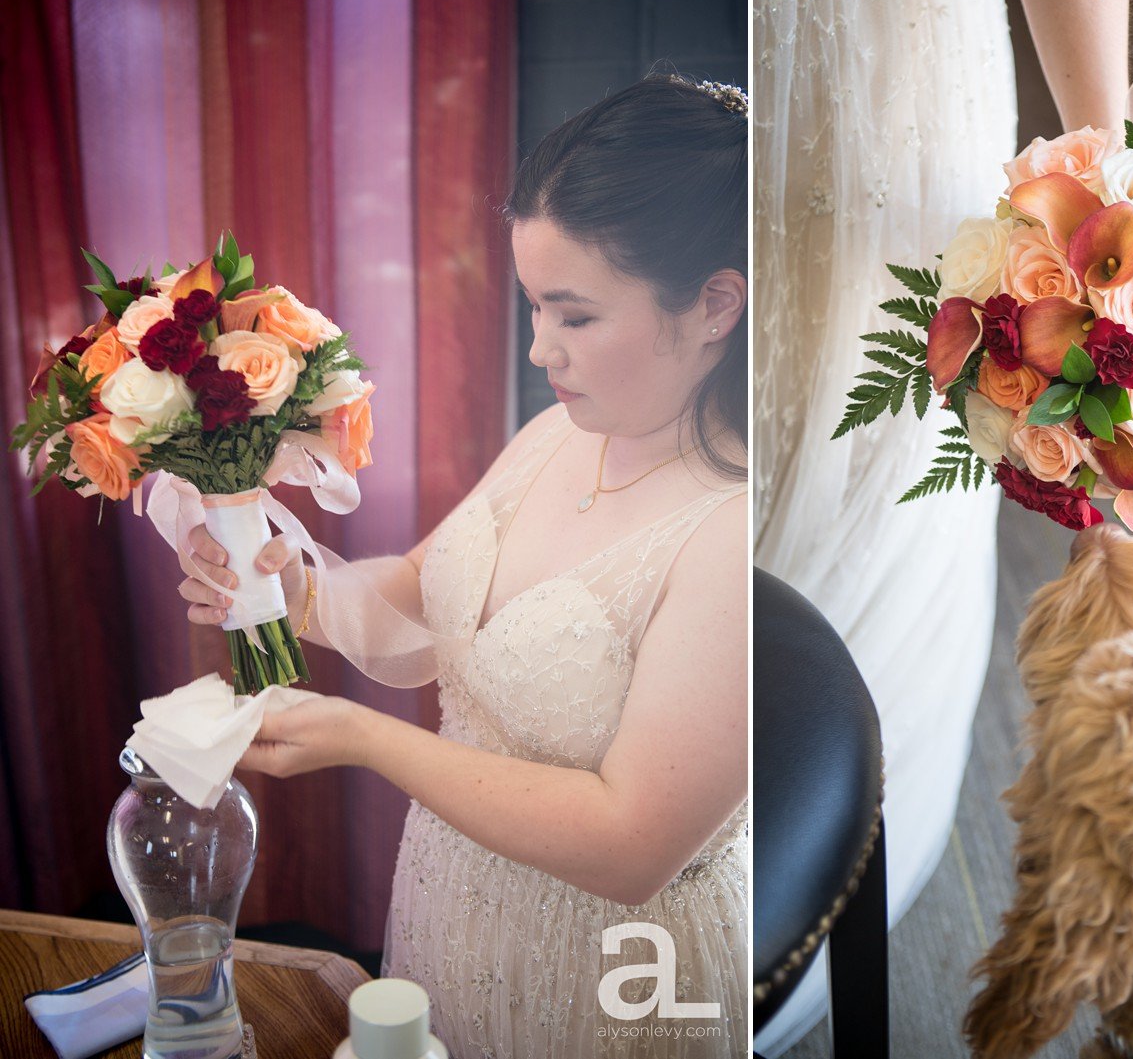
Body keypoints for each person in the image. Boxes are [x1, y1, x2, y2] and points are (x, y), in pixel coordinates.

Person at [177, 75, 750, 1058]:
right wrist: (297, 583)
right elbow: (417, 595)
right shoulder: (549, 436)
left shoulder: (731, 534)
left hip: (620, 970)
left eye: (575, 315)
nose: (539, 349)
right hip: (455, 906)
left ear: (712, 306)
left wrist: (367, 738)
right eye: (534, 306)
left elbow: (630, 844)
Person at [751, 0, 1129, 1052]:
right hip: (842, 27)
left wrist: (1108, 197)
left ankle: (813, 848)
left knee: (869, 457)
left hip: (879, 41)